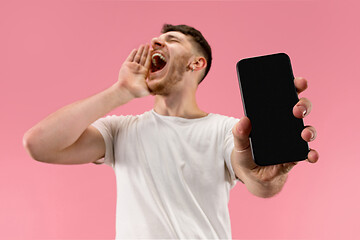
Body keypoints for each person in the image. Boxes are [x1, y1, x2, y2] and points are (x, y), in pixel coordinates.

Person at [23, 24, 319, 239]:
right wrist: (121, 90)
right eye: (156, 39)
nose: (155, 41)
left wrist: (272, 176)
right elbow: (39, 145)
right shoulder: (120, 131)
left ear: (196, 63)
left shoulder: (227, 130)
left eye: (171, 39)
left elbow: (261, 184)